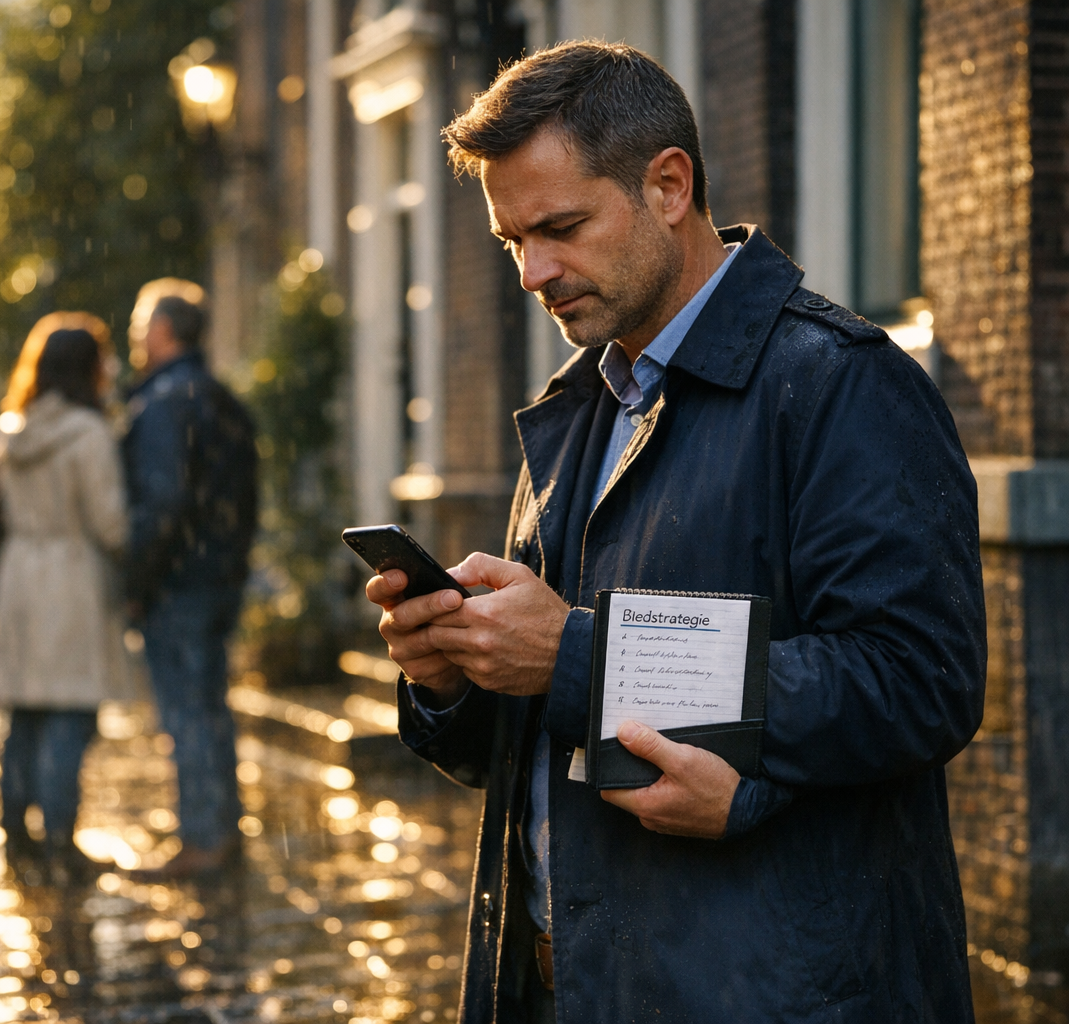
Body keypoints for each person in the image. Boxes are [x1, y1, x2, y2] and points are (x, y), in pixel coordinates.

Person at [366, 42, 985, 1022]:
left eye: (559, 227)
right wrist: (453, 674)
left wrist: (577, 655)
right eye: (510, 241)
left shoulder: (841, 383)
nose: (532, 272)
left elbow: (921, 682)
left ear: (667, 186)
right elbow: (536, 742)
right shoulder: (572, 412)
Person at [0, 311, 133, 880]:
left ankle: (16, 836)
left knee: (23, 718)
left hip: (19, 577)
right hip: (71, 580)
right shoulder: (89, 434)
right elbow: (111, 524)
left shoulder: (11, 430)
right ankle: (61, 845)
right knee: (69, 718)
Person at [121, 279, 257, 877]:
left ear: (161, 331)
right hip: (217, 578)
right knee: (209, 709)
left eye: (140, 323)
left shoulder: (162, 403)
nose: (135, 336)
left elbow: (161, 503)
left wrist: (136, 583)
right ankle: (222, 833)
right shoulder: (222, 398)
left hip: (177, 585)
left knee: (187, 715)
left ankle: (204, 842)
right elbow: (247, 498)